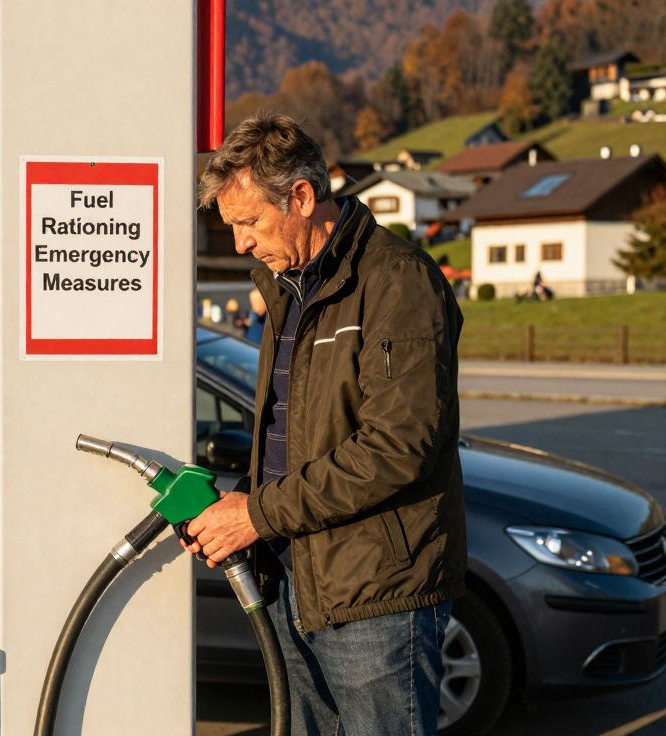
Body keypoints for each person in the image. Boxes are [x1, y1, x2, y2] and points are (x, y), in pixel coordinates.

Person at [186, 114, 466, 736]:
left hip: (374, 594)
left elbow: (396, 447)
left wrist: (256, 514)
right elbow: (296, 434)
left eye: (249, 222)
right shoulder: (287, 289)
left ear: (302, 197)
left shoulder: (397, 282)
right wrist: (242, 509)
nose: (240, 244)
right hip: (295, 576)